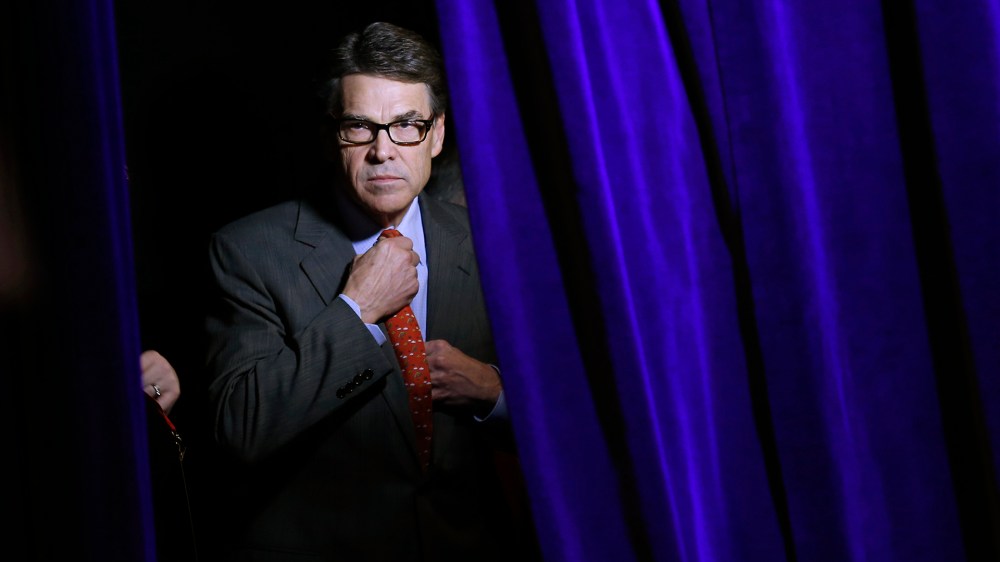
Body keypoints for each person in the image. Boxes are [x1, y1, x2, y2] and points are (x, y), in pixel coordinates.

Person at [202, 21, 537, 561]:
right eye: (360, 126)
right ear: (332, 134)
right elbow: (239, 429)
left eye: (407, 125)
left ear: (439, 134)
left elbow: (576, 425)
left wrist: (492, 392)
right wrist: (356, 311)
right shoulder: (247, 251)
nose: (384, 151)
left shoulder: (491, 246)